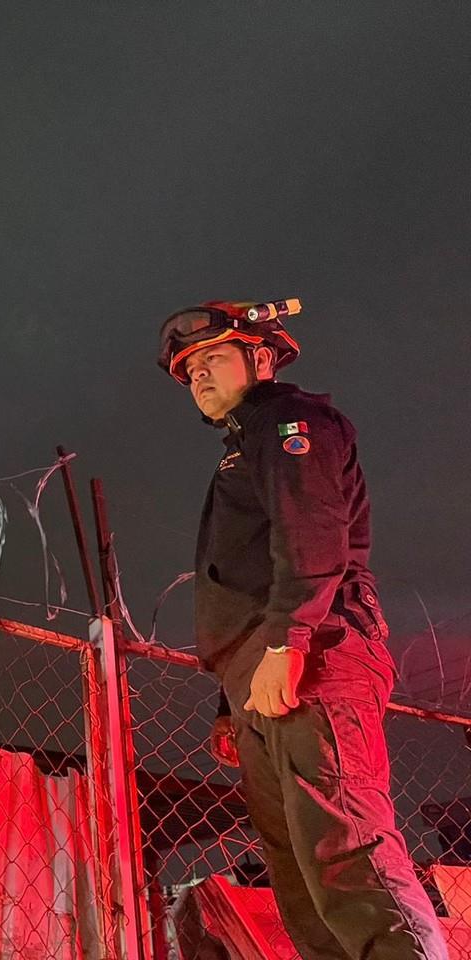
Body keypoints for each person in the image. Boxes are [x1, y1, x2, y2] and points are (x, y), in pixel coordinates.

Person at [158, 300, 447, 960]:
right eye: (189, 368)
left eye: (212, 359)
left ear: (260, 358)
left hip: (314, 658)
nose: (198, 375)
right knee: (302, 885)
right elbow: (246, 575)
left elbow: (312, 533)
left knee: (349, 860)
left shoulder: (291, 422)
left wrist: (289, 643)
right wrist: (229, 704)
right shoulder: (246, 443)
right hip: (263, 675)